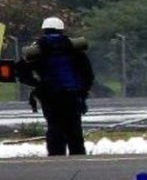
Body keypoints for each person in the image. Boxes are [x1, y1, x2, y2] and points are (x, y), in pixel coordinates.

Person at [15, 17, 94, 156]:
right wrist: (83, 91)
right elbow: (87, 73)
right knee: (74, 129)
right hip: (72, 95)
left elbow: (21, 71)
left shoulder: (37, 49)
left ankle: (56, 158)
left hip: (50, 95)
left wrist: (37, 85)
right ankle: (78, 159)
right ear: (61, 29)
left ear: (44, 30)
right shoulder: (73, 47)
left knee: (54, 127)